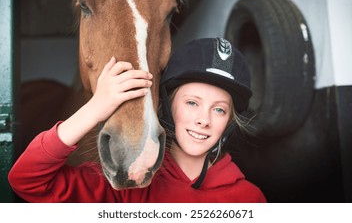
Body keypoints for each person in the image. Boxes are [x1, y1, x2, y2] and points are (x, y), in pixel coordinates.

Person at [8, 37, 266, 203]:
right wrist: (95, 108)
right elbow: (27, 180)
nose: (204, 120)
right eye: (191, 103)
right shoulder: (128, 183)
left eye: (219, 110)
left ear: (230, 121)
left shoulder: (249, 199)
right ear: (166, 106)